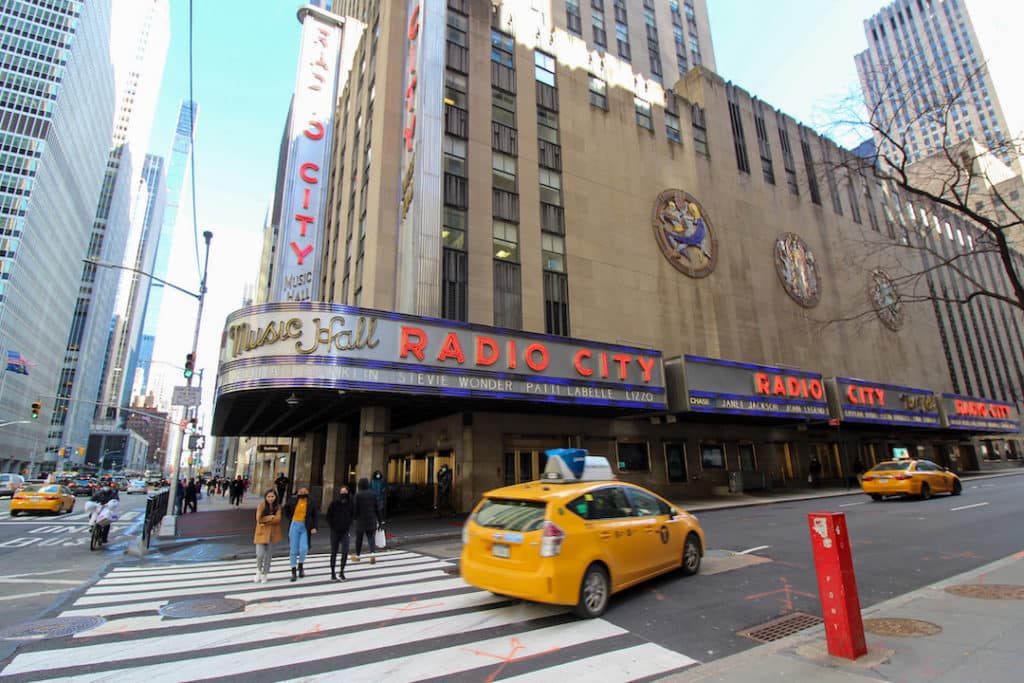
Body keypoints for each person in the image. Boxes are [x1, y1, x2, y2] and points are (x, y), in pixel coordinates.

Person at [283, 486, 319, 582]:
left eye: (305, 491)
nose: (302, 493)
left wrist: (314, 527)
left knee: (304, 548)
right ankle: (293, 570)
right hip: (295, 524)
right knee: (293, 549)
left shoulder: (311, 501)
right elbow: (286, 508)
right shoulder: (293, 499)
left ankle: (301, 564)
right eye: (300, 491)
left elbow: (315, 514)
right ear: (298, 492)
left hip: (305, 526)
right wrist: (290, 518)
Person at [326, 485, 355, 581]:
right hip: (334, 531)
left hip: (345, 531)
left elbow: (352, 515)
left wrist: (348, 523)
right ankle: (333, 572)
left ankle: (342, 571)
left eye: (345, 492)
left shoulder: (350, 504)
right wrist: (333, 525)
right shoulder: (334, 504)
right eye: (342, 492)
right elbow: (328, 516)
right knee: (334, 551)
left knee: (345, 551)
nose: (343, 494)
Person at [253, 489, 282, 583]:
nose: (270, 499)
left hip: (272, 534)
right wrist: (271, 517)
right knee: (260, 554)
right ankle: (258, 571)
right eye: (268, 497)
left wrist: (266, 520)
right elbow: (259, 519)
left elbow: (277, 519)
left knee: (268, 556)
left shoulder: (277, 507)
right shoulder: (261, 506)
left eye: (272, 496)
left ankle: (265, 574)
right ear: (265, 497)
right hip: (261, 533)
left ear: (275, 497)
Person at [351, 477, 380, 564]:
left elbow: (355, 508)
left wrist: (353, 517)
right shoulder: (373, 494)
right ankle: (372, 554)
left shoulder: (358, 495)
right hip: (371, 518)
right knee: (371, 537)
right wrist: (380, 519)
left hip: (361, 520)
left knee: (359, 538)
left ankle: (358, 556)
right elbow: (377, 508)